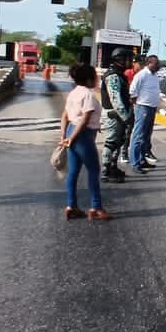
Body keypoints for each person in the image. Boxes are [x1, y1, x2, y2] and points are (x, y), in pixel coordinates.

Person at [59, 65, 109, 221]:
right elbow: (85, 119)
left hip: (72, 132)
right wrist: (73, 137)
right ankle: (96, 207)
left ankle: (71, 205)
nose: (97, 79)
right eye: (95, 76)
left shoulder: (74, 93)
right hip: (82, 135)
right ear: (89, 79)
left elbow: (65, 116)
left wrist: (64, 137)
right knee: (93, 171)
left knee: (73, 172)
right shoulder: (88, 95)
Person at [100, 48, 134, 183]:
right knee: (111, 142)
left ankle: (113, 166)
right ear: (120, 59)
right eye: (128, 59)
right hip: (114, 115)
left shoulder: (119, 74)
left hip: (119, 115)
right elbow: (116, 100)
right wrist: (126, 117)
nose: (130, 62)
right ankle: (106, 170)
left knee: (119, 142)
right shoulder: (113, 76)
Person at [129, 55, 161, 173]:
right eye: (156, 63)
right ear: (149, 63)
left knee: (146, 136)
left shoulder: (154, 76)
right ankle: (135, 162)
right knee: (138, 135)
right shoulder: (142, 75)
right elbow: (132, 91)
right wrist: (136, 106)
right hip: (143, 107)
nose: (158, 66)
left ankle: (142, 160)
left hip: (151, 108)